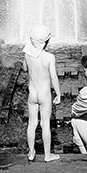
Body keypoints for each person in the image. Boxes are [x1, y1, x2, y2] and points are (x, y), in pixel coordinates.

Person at [22, 25, 61, 163]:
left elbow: (25, 68)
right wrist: (58, 93)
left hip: (32, 94)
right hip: (44, 94)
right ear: (46, 41)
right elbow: (54, 77)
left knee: (32, 124)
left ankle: (31, 152)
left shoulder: (27, 54)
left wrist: (27, 56)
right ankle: (47, 155)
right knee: (45, 124)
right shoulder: (49, 57)